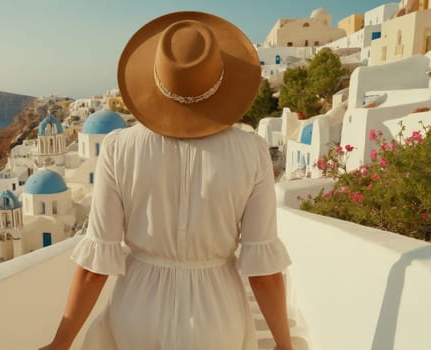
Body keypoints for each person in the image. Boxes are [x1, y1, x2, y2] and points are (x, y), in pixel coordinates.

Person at [41, 11, 293, 350]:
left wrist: (60, 343)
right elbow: (263, 274)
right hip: (217, 317)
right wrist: (285, 345)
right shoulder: (252, 151)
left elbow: (95, 266)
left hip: (136, 312)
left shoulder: (119, 148)